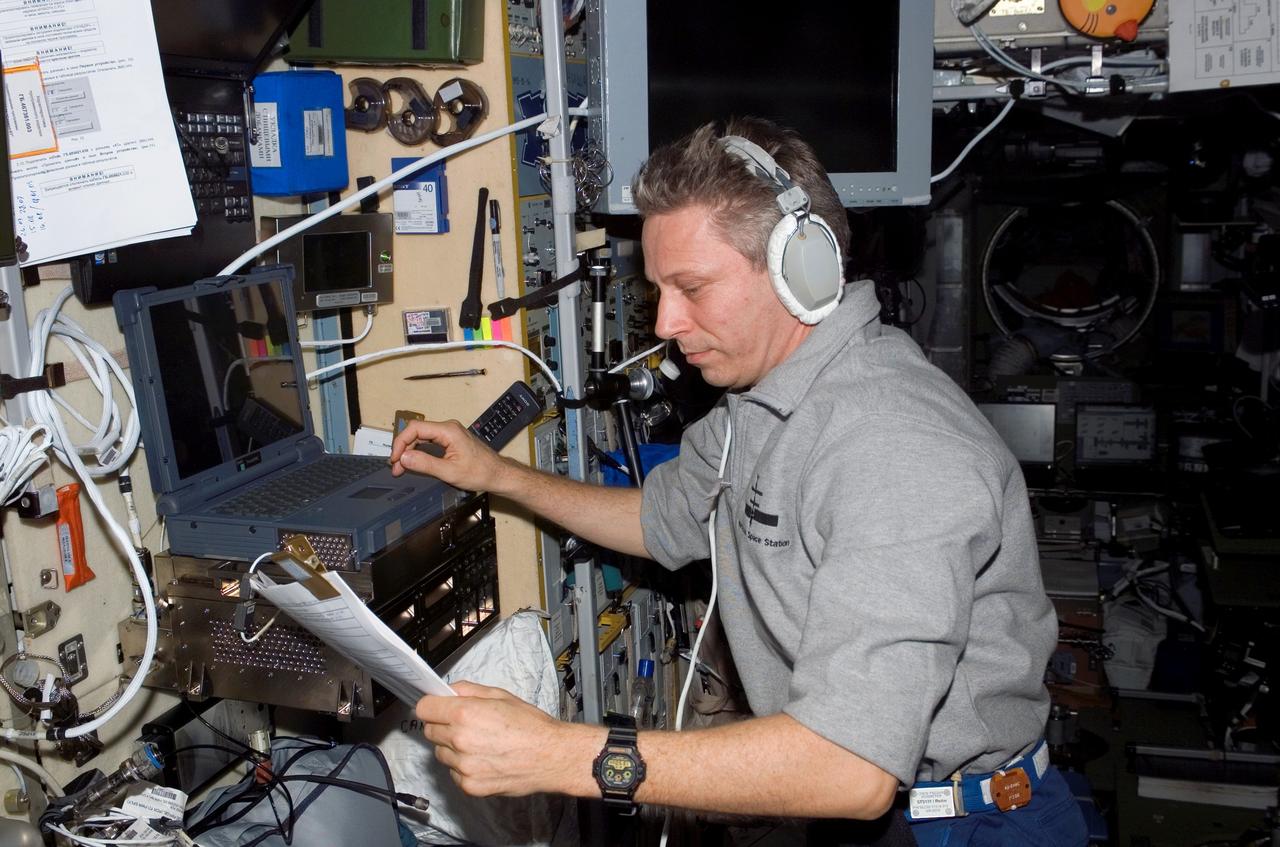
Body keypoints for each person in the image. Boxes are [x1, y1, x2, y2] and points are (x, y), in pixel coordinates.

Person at [389, 117, 1088, 846]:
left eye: (691, 287)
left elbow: (851, 768)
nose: (666, 321)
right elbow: (661, 520)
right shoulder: (759, 401)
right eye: (659, 289)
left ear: (801, 268)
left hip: (963, 824)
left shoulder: (895, 446)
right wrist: (496, 473)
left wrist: (557, 753)